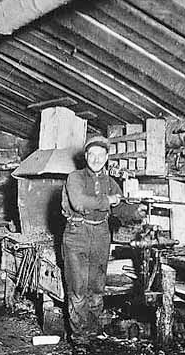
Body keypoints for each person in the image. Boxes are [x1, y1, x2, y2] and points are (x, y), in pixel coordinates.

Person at [61, 135, 136, 347]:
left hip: (101, 233)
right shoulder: (74, 178)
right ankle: (79, 339)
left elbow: (120, 208)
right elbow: (79, 203)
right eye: (92, 154)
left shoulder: (110, 182)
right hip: (77, 234)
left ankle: (93, 334)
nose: (96, 159)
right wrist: (108, 200)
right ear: (85, 156)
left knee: (97, 288)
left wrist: (135, 206)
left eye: (100, 155)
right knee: (78, 290)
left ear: (107, 157)